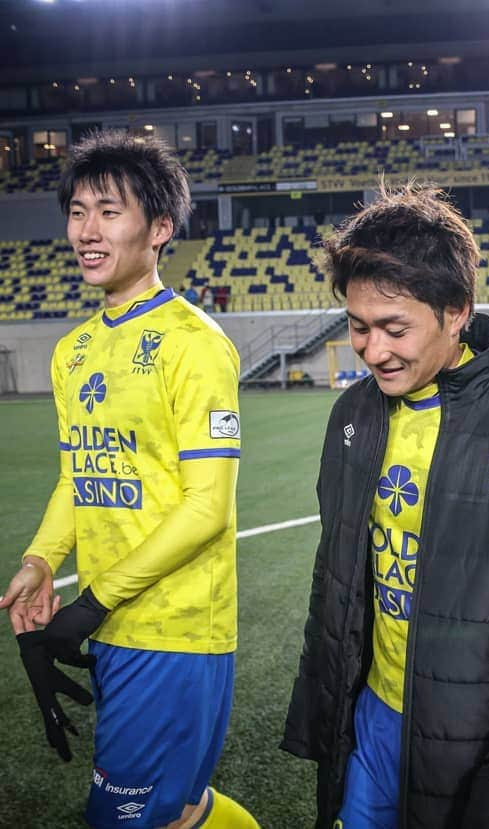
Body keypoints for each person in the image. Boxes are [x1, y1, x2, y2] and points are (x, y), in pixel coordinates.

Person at [281, 183, 489, 828]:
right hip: (370, 715)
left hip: (475, 734)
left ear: (456, 311)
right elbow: (339, 578)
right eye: (358, 328)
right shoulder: (353, 414)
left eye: (395, 328)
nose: (373, 352)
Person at [0, 130, 257, 828]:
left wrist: (93, 600)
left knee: (121, 817)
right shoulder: (72, 350)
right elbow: (75, 477)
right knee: (173, 808)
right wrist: (41, 559)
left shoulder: (195, 345)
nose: (87, 229)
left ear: (161, 228)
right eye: (78, 209)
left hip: (174, 630)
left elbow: (208, 507)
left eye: (110, 211)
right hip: (112, 624)